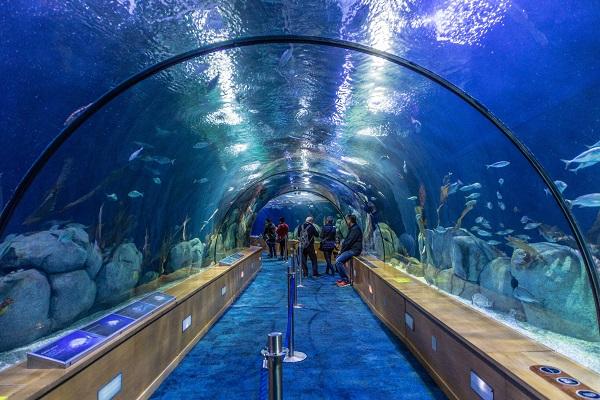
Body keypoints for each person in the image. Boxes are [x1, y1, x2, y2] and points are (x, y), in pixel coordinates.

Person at [335, 214, 363, 287]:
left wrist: (342, 251)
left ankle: (345, 280)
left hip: (354, 250)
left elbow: (349, 242)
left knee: (338, 261)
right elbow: (347, 240)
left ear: (350, 220)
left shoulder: (355, 229)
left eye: (346, 220)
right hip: (351, 249)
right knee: (338, 259)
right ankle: (343, 278)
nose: (345, 221)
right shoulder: (352, 228)